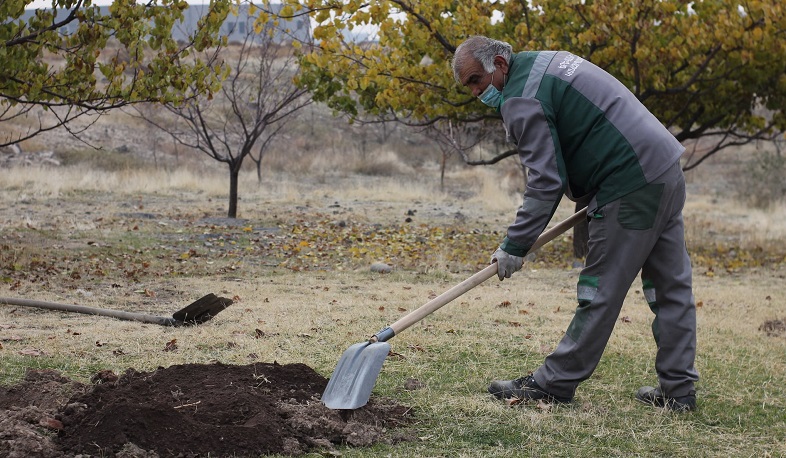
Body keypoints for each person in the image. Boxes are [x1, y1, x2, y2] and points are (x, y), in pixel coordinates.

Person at [451, 36, 699, 412]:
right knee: (671, 286)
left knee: (600, 289)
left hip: (629, 182)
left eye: (475, 80)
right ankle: (679, 390)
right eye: (468, 86)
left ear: (499, 64)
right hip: (663, 165)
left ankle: (554, 383)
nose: (474, 92)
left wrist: (514, 245)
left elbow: (545, 181)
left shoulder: (521, 97)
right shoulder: (546, 62)